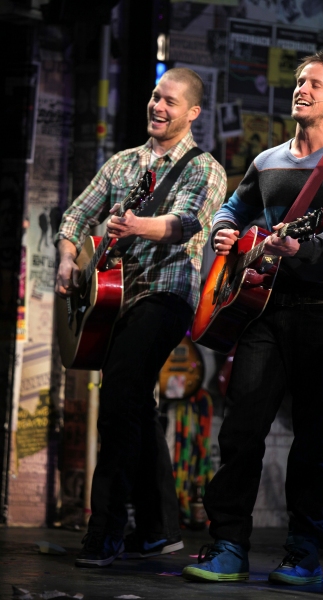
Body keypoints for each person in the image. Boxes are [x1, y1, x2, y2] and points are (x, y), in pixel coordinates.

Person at [183, 51, 323, 585]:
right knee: (242, 430)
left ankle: (302, 554)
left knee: (314, 437)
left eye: (315, 83)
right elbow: (233, 208)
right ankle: (228, 545)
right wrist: (226, 232)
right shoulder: (267, 160)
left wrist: (301, 247)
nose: (302, 89)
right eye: (299, 81)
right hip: (262, 309)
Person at [54, 67, 227, 568]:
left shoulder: (204, 168)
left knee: (119, 399)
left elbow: (186, 224)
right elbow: (74, 217)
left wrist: (135, 225)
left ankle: (105, 531)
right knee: (135, 408)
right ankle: (157, 529)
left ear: (192, 112)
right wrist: (68, 258)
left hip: (164, 296)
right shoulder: (123, 163)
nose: (158, 106)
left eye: (170, 101)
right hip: (111, 301)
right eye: (155, 96)